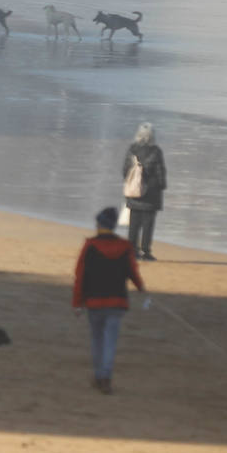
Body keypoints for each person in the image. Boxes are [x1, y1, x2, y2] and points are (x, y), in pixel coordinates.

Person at [71, 207, 146, 394]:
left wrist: (77, 303)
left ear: (100, 224)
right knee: (110, 341)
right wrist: (141, 288)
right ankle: (105, 377)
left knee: (97, 340)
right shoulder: (125, 246)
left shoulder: (90, 245)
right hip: (117, 301)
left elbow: (80, 276)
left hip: (95, 302)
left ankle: (99, 376)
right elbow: (132, 271)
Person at [122, 122, 167, 261]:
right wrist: (161, 186)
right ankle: (146, 251)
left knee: (133, 224)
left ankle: (132, 251)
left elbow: (125, 170)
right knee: (148, 224)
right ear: (153, 135)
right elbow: (160, 173)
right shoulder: (156, 151)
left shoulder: (132, 149)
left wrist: (131, 182)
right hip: (151, 194)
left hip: (134, 192)